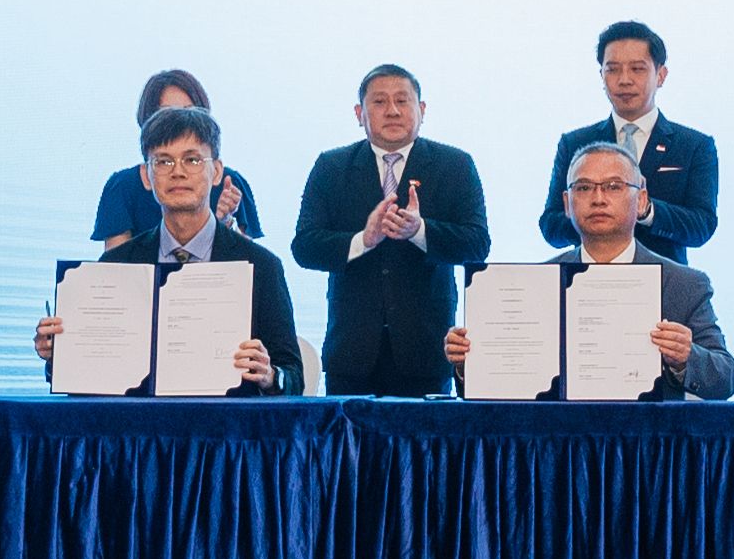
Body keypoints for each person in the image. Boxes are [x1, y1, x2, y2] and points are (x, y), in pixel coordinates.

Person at [446, 140, 734, 400]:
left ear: (641, 199)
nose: (598, 198)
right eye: (584, 187)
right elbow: (496, 387)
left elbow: (727, 377)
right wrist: (467, 364)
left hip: (648, 441)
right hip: (556, 439)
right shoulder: (535, 283)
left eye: (613, 186)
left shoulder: (682, 283)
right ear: (567, 203)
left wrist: (686, 357)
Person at [38, 103, 301, 393]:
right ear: (146, 176)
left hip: (228, 421)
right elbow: (89, 381)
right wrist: (59, 355)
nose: (178, 172)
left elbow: (293, 377)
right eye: (163, 161)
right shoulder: (116, 265)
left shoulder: (260, 265)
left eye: (192, 160)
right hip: (139, 421)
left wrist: (269, 375)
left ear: (216, 172)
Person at [293, 66, 491, 397]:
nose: (393, 111)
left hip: (426, 351)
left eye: (402, 100)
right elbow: (304, 247)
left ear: (422, 110)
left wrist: (420, 231)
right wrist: (363, 240)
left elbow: (477, 244)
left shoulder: (455, 165)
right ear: (359, 114)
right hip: (351, 353)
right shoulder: (332, 167)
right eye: (379, 102)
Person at [538, 21, 718, 262]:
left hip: (663, 278)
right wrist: (592, 217)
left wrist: (646, 210)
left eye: (637, 69)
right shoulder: (575, 143)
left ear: (661, 75)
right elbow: (551, 227)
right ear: (601, 75)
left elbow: (702, 227)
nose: (624, 80)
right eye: (613, 70)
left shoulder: (694, 145)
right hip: (587, 277)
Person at [89, 71, 261, 247]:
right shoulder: (122, 185)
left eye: (188, 111)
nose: (178, 121)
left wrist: (226, 223)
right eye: (167, 113)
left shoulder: (229, 183)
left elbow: (250, 259)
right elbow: (116, 260)